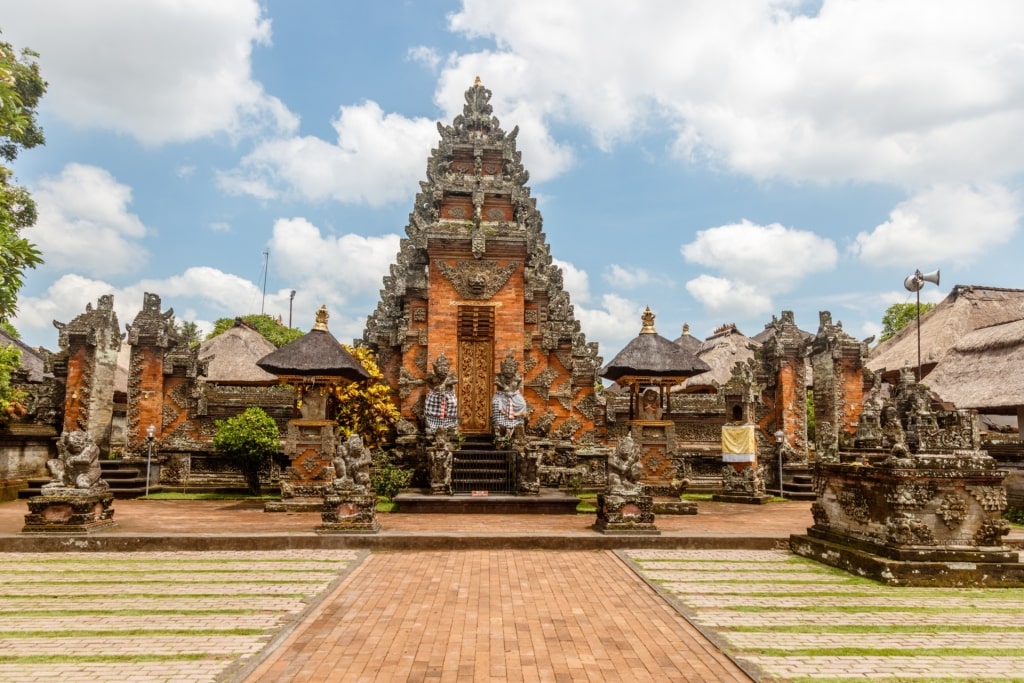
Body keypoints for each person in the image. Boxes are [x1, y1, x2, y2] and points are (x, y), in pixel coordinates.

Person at [424, 354, 458, 433]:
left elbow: (456, 380)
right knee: (430, 406)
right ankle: (432, 427)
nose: (442, 373)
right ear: (435, 369)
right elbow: (426, 381)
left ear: (448, 368)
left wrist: (445, 384)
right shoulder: (432, 376)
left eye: (444, 370)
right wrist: (433, 387)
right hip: (435, 396)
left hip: (448, 396)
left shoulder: (450, 375)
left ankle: (449, 426)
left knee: (453, 404)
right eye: (440, 371)